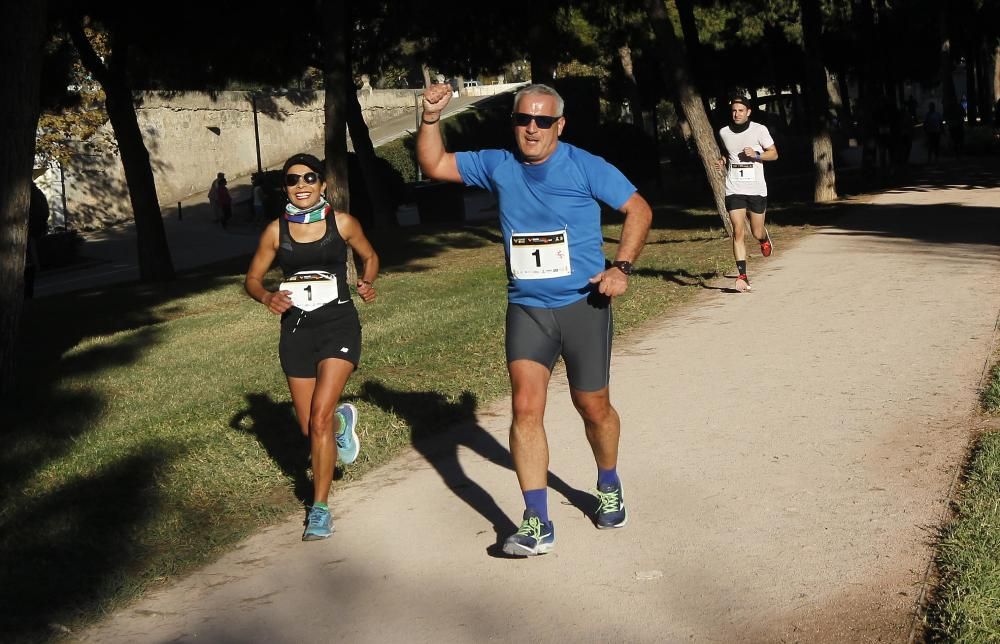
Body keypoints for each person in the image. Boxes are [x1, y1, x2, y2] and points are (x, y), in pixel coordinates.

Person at [417, 83, 653, 557]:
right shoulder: (498, 164)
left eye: (543, 121)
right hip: (527, 307)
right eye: (524, 119)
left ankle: (608, 482)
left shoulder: (586, 165)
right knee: (525, 408)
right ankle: (537, 521)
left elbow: (638, 209)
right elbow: (435, 164)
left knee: (593, 408)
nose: (532, 128)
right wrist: (429, 118)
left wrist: (621, 267)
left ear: (559, 125)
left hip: (583, 305)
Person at [244, 153, 379, 541]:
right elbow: (252, 278)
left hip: (338, 324)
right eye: (292, 180)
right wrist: (266, 297)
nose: (300, 185)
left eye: (309, 178)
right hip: (297, 330)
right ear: (284, 188)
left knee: (317, 417)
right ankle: (342, 423)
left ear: (322, 184)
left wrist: (367, 281)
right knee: (310, 426)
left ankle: (319, 508)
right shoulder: (275, 231)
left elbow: (369, 256)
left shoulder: (342, 223)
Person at [714, 96, 778, 293]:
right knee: (738, 231)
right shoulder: (724, 132)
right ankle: (742, 275)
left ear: (748, 112)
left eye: (741, 110)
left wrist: (757, 155)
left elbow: (774, 154)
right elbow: (729, 151)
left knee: (756, 230)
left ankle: (763, 238)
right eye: (734, 110)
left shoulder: (759, 130)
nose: (737, 114)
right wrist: (723, 160)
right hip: (734, 188)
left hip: (757, 189)